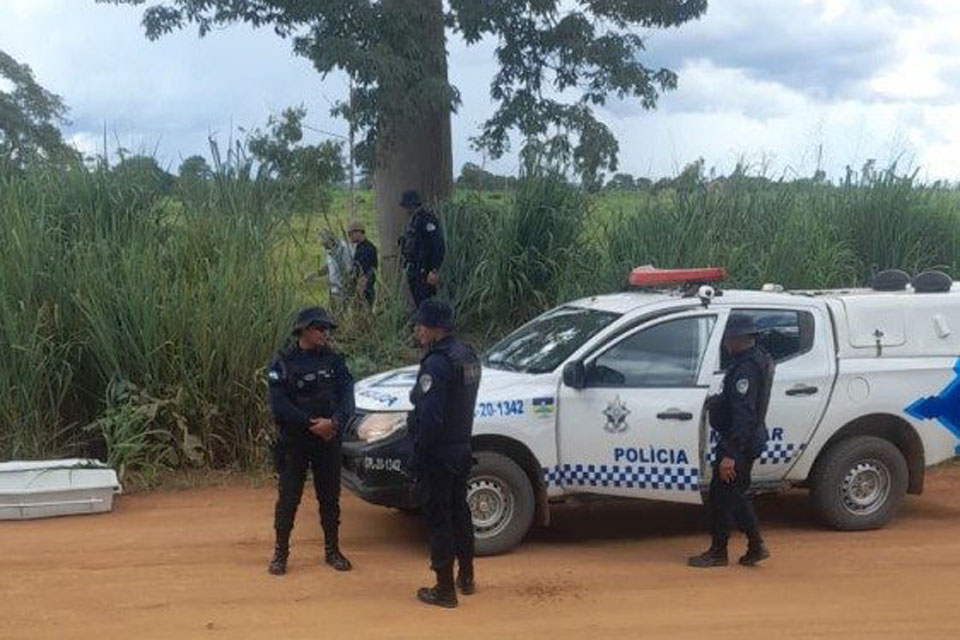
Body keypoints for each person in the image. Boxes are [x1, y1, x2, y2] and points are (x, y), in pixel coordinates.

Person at [266, 307, 355, 575]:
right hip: (295, 441)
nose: (324, 334)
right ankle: (280, 553)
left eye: (326, 329)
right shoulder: (283, 362)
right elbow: (278, 405)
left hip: (328, 438)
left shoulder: (334, 361)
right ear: (304, 330)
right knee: (288, 498)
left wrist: (334, 422)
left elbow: (347, 395)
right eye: (319, 329)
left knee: (330, 497)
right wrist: (310, 424)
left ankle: (332, 550)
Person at [406, 299, 481, 608]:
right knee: (460, 513)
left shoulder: (437, 363)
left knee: (439, 518)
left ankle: (444, 589)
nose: (416, 330)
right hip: (462, 446)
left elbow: (432, 415)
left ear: (435, 328)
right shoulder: (468, 355)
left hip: (438, 451)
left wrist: (419, 453)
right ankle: (467, 577)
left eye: (420, 325)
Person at [688, 314, 775, 568]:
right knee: (734, 495)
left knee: (723, 496)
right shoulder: (759, 359)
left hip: (740, 442)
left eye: (727, 339)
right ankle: (754, 546)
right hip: (748, 439)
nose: (724, 344)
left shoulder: (745, 370)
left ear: (737, 339)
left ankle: (721, 552)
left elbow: (744, 414)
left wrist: (730, 454)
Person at [398, 190, 445, 307]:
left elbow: (438, 246)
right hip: (413, 270)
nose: (405, 209)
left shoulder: (427, 220)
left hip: (424, 270)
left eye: (406, 206)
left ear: (412, 205)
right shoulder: (413, 221)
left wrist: (434, 269)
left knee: (426, 303)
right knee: (419, 303)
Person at [348, 219, 378, 305]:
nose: (350, 236)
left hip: (364, 289)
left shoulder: (368, 249)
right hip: (358, 289)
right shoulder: (359, 248)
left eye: (351, 233)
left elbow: (365, 272)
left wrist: (360, 290)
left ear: (359, 232)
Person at [319, 230, 354, 301]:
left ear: (331, 240)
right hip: (333, 291)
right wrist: (316, 274)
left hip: (344, 291)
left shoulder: (345, 249)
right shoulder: (330, 250)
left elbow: (349, 269)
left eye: (326, 244)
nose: (325, 247)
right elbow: (330, 266)